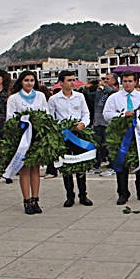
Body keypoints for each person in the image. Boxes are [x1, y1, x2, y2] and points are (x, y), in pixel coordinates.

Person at [103, 71, 140, 205]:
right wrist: (123, 114)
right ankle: (123, 193)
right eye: (125, 81)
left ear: (135, 82)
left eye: (130, 81)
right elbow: (106, 114)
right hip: (121, 135)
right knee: (121, 164)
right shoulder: (114, 98)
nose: (127, 84)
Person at [48, 70, 93, 207]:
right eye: (69, 80)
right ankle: (69, 196)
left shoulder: (79, 96)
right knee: (66, 165)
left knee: (80, 164)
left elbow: (86, 113)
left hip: (78, 134)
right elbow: (50, 118)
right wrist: (60, 128)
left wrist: (83, 123)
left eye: (73, 80)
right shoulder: (54, 99)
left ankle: (83, 195)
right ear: (61, 83)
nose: (72, 82)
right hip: (64, 135)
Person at [7, 71, 49, 214]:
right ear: (21, 82)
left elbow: (46, 114)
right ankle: (26, 200)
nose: (29, 83)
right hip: (23, 138)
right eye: (26, 80)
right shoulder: (14, 98)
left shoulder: (40, 96)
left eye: (32, 80)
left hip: (37, 136)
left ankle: (35, 199)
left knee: (35, 168)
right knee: (25, 169)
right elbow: (10, 119)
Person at [91, 73, 119, 175]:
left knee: (109, 146)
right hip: (97, 123)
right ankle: (95, 166)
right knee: (97, 146)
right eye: (104, 79)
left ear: (114, 81)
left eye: (107, 79)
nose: (105, 80)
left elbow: (111, 91)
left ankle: (112, 166)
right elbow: (89, 96)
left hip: (108, 124)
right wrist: (87, 88)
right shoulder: (100, 93)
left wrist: (104, 85)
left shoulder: (114, 94)